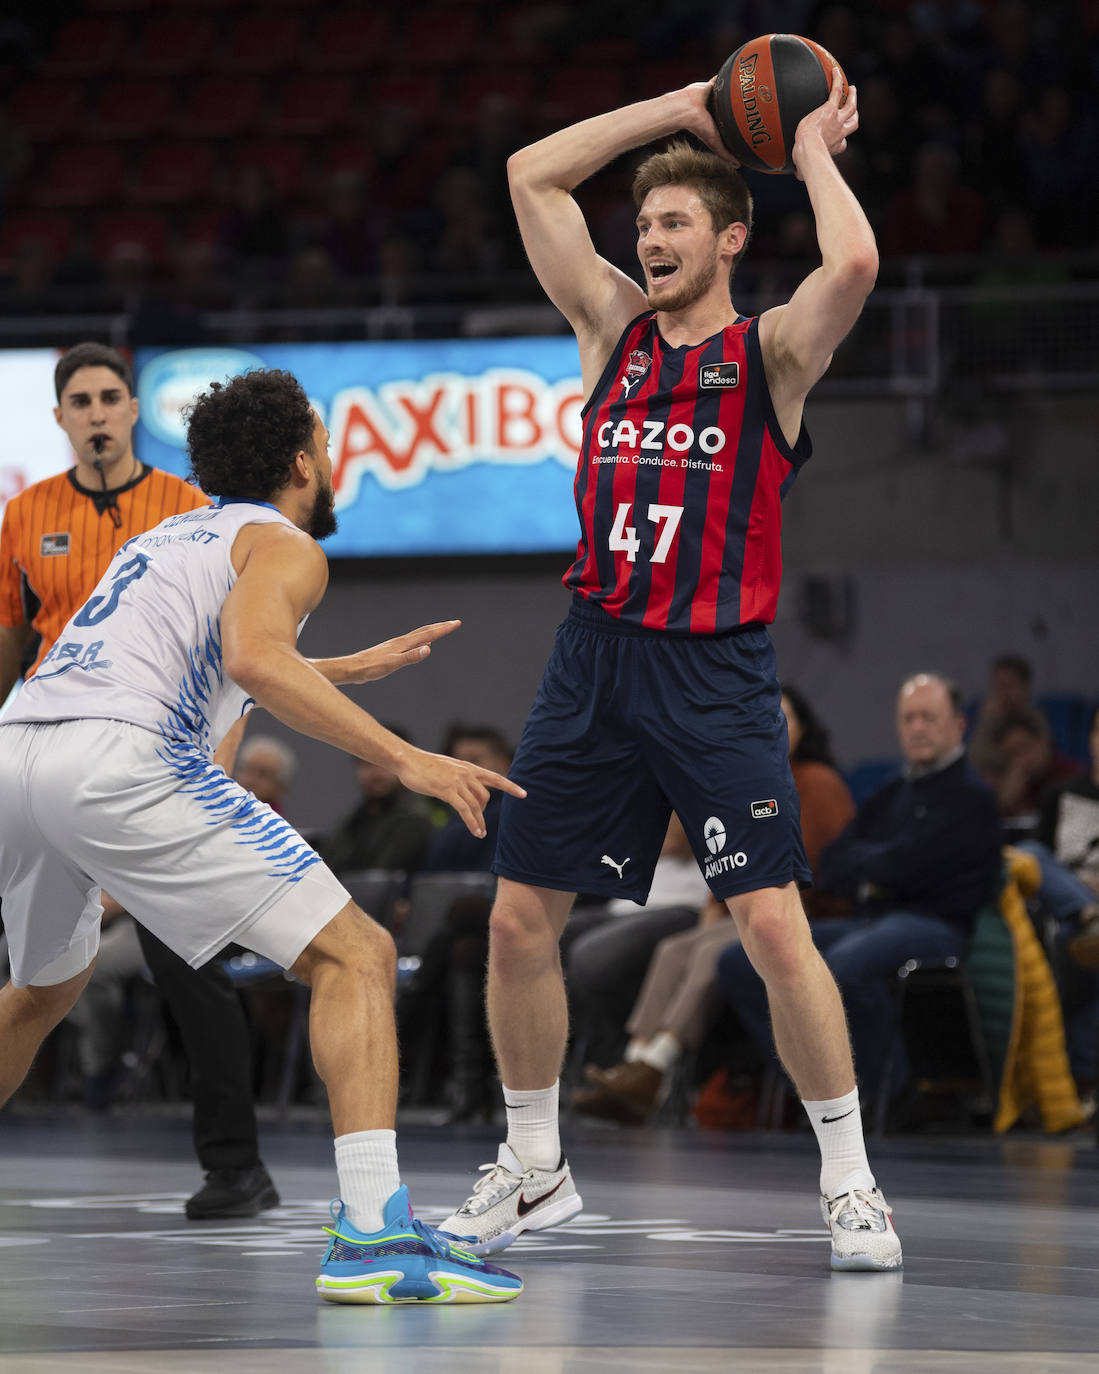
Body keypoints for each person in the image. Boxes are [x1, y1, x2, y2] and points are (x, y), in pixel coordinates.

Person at [437, 69, 904, 1271]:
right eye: (642, 226)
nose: (648, 241)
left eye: (674, 223)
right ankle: (535, 1168)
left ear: (729, 239)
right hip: (591, 661)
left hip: (715, 673)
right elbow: (528, 175)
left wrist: (803, 146)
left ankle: (850, 1181)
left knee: (768, 923)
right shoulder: (609, 330)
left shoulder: (771, 356)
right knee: (515, 924)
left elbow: (849, 269)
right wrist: (680, 108)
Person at [0, 367, 525, 1304]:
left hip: (21, 748)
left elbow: (196, 655)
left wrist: (329, 666)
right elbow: (249, 655)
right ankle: (372, 1235)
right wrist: (410, 759)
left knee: (42, 990)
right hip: (121, 759)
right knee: (356, 954)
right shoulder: (284, 544)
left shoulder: (168, 535)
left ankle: (371, 1231)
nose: (331, 457)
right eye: (323, 441)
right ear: (300, 461)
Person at [0, 342, 279, 1219]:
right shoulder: (24, 517)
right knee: (32, 979)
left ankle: (236, 1167)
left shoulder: (191, 507)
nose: (94, 412)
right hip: (50, 765)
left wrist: (211, 779)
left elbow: (237, 656)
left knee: (191, 962)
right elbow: (13, 653)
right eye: (77, 399)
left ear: (132, 409)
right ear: (58, 418)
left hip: (162, 764)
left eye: (108, 396)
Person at [717, 674, 1003, 1112]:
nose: (918, 728)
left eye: (929, 717)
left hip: (934, 924)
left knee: (845, 967)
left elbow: (916, 867)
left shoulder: (972, 796)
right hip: (870, 920)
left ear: (958, 726)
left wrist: (878, 868)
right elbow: (832, 862)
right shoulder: (892, 792)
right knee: (740, 962)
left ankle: (891, 1096)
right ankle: (808, 1086)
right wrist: (885, 867)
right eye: (909, 718)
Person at [573, 686, 855, 1124]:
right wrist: (711, 911)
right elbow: (720, 858)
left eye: (783, 718)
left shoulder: (817, 780)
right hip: (743, 910)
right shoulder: (741, 784)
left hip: (801, 910)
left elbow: (818, 865)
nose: (772, 727)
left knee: (711, 951)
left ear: (803, 728)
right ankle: (634, 1066)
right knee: (676, 948)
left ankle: (656, 1066)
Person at [320, 730, 436, 877]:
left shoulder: (415, 819)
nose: (376, 773)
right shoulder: (354, 819)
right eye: (366, 763)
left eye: (383, 763)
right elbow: (326, 870)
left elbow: (376, 884)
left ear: (406, 766)